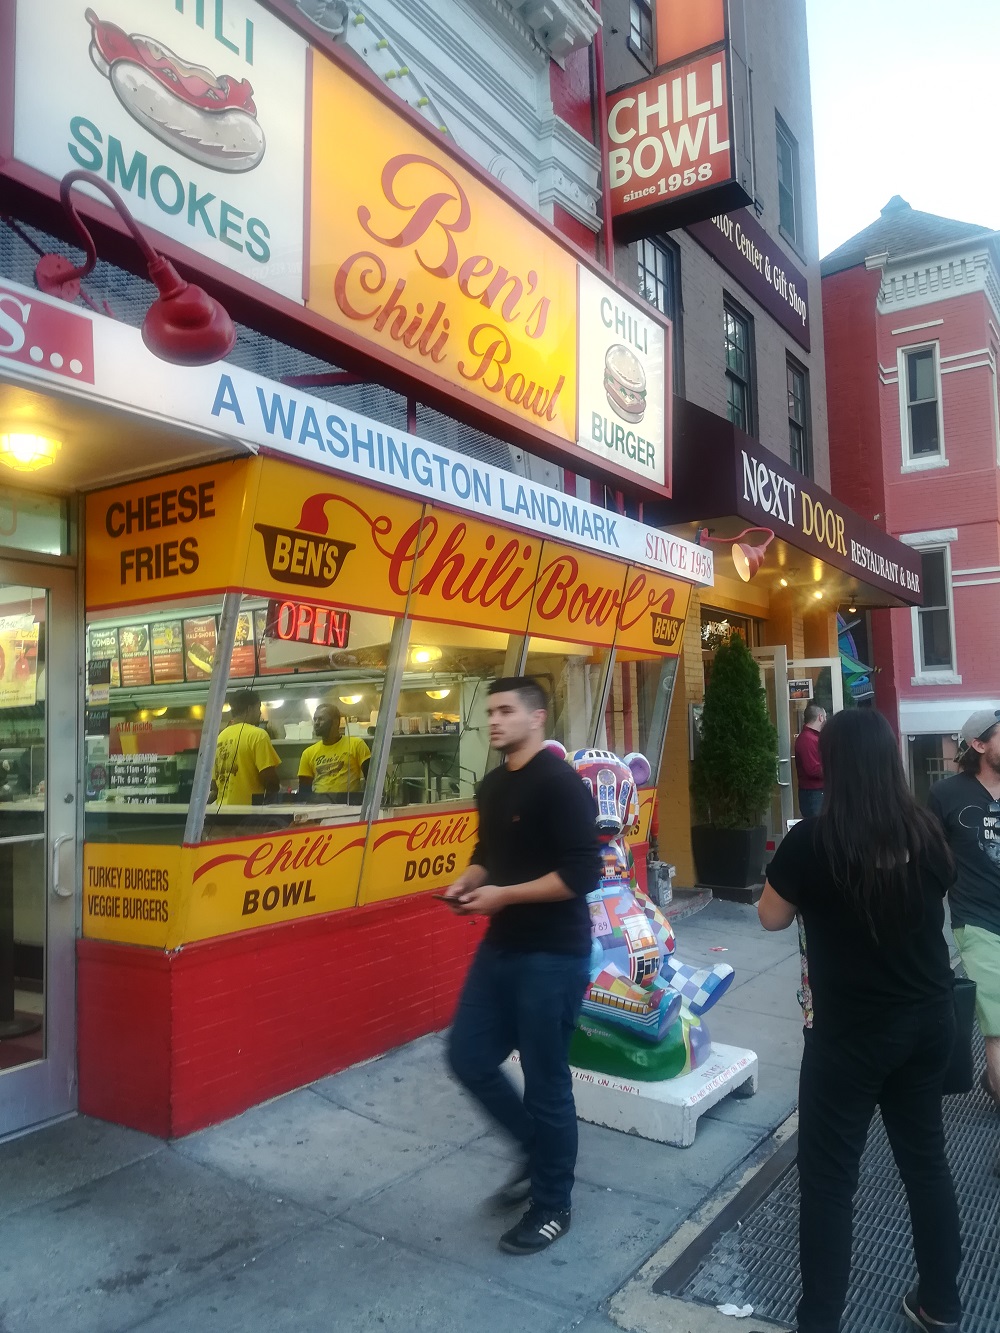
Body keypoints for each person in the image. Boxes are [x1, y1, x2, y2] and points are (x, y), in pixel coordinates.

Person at [757, 709, 962, 1333]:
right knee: (925, 1161)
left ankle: (819, 1321)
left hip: (848, 1040)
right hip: (928, 1024)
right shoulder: (927, 832)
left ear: (835, 767)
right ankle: (941, 1303)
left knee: (828, 1182)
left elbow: (769, 917)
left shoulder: (812, 842)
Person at [443, 677, 600, 1256]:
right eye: (490, 711)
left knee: (546, 1080)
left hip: (553, 956)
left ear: (537, 719)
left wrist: (503, 897)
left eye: (506, 711)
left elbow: (582, 875)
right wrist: (470, 880)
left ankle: (553, 1203)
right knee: (467, 1055)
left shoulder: (561, 786)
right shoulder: (491, 786)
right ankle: (538, 1150)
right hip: (502, 948)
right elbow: (489, 854)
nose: (495, 721)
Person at [928, 707, 1000, 1113]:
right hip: (979, 924)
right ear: (979, 744)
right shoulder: (946, 795)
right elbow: (929, 860)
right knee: (999, 1030)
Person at [210, 690, 281, 806]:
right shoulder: (258, 735)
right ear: (249, 709)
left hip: (222, 813)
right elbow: (270, 780)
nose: (260, 714)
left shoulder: (220, 737)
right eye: (258, 708)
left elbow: (214, 784)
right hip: (248, 813)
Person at [297, 702, 370, 803]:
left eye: (321, 719)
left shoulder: (356, 744)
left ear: (336, 722)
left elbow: (371, 778)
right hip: (319, 805)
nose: (316, 723)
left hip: (349, 804)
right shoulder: (308, 753)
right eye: (315, 719)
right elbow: (304, 791)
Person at [794, 703, 826, 818]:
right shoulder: (808, 739)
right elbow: (813, 769)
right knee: (817, 830)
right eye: (825, 717)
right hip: (814, 794)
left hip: (815, 793)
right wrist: (834, 768)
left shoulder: (812, 737)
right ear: (820, 717)